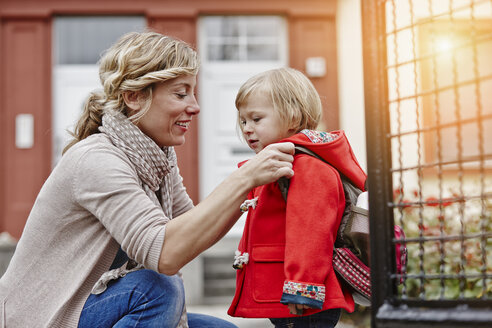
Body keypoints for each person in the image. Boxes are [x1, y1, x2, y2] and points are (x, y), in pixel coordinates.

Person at [0, 31, 295, 328]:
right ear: (134, 97)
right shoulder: (96, 159)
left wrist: (255, 186)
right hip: (45, 317)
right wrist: (244, 178)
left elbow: (193, 229)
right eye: (181, 94)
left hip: (90, 306)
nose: (194, 106)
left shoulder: (158, 157)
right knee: (156, 289)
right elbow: (165, 253)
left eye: (193, 93)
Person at [227, 67, 367, 327]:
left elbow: (311, 231)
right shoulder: (278, 164)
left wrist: (302, 287)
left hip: (302, 300)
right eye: (243, 121)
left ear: (292, 115)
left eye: (256, 119)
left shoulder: (306, 167)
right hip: (282, 292)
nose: (247, 129)